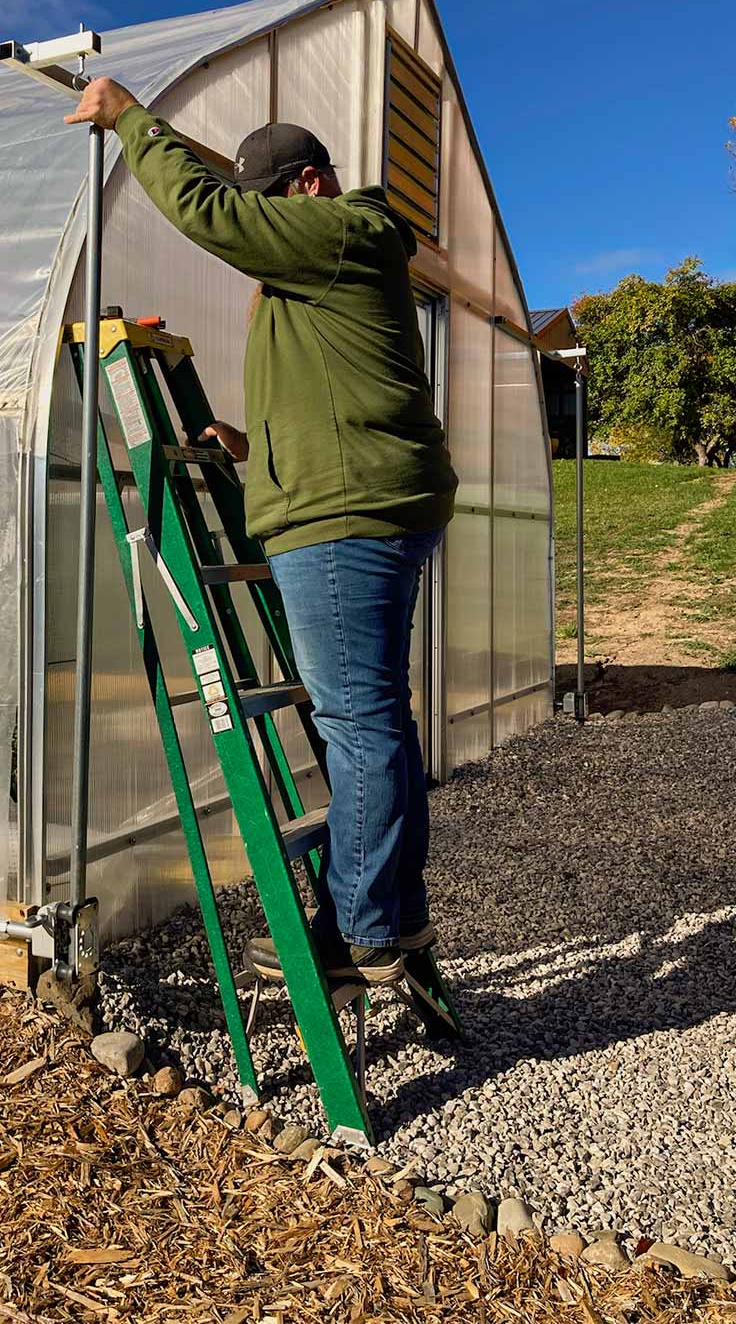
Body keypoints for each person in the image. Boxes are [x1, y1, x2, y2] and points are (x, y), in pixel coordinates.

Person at [65, 77, 458, 989]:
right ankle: (395, 916)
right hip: (364, 500)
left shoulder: (342, 229)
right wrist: (257, 444)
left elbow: (213, 218)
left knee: (356, 725)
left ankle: (357, 936)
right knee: (379, 720)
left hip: (343, 517)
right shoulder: (339, 263)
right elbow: (343, 383)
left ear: (309, 184)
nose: (264, 222)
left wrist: (131, 121)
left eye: (270, 200)